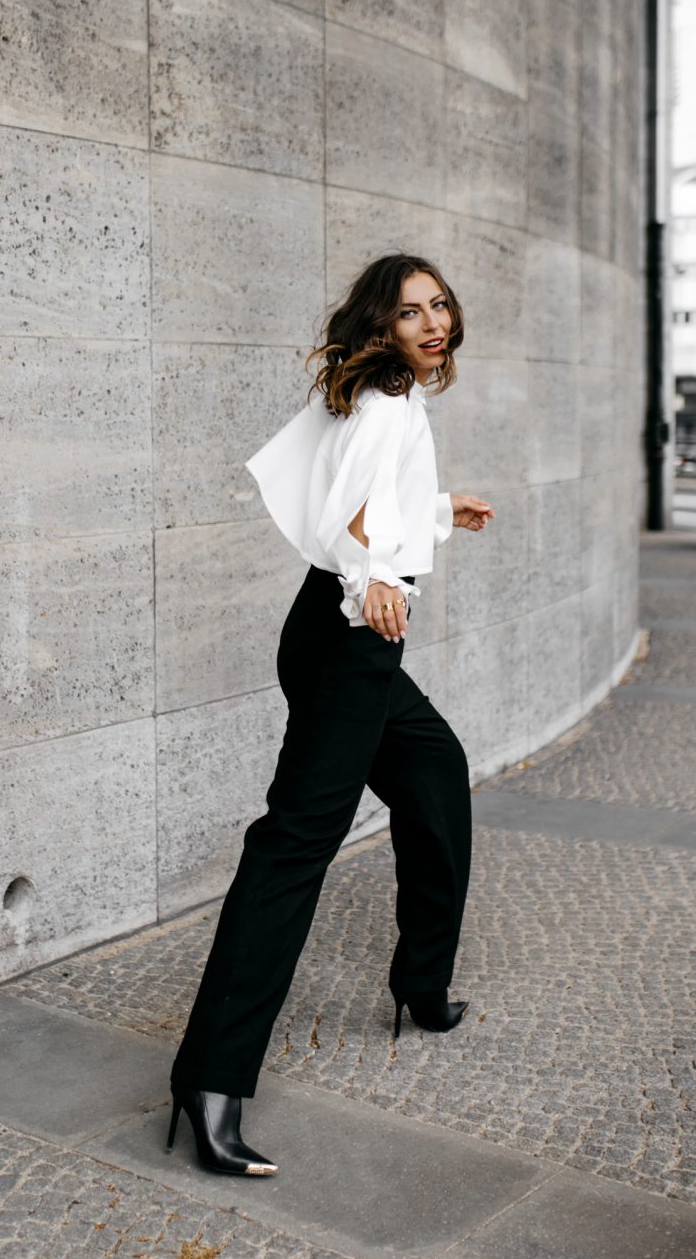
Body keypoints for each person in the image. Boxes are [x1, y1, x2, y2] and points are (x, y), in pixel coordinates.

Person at [166, 252, 495, 1176]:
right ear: (379, 326)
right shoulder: (388, 406)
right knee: (293, 847)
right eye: (408, 312)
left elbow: (369, 501)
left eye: (439, 306)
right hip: (349, 637)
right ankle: (212, 1079)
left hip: (337, 635)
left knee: (434, 774)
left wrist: (435, 510)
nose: (432, 323)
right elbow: (344, 520)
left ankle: (420, 986)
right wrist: (378, 577)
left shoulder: (396, 400)